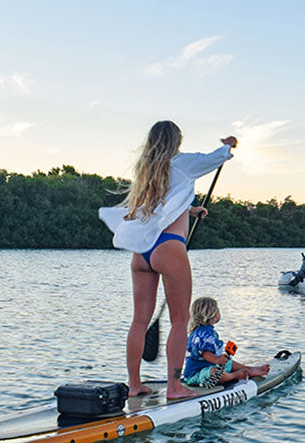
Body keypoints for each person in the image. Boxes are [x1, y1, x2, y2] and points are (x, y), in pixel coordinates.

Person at [98, 120, 236, 399]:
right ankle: (174, 387)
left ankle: (134, 385)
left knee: (139, 321)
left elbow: (161, 204)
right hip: (169, 248)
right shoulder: (181, 162)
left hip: (142, 252)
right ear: (176, 141)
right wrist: (229, 144)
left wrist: (191, 209)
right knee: (179, 319)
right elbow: (216, 158)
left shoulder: (145, 170)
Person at [182, 297, 269, 387]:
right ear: (213, 314)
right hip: (197, 374)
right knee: (215, 372)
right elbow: (205, 352)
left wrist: (220, 359)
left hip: (209, 365)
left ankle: (250, 369)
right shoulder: (203, 334)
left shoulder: (204, 331)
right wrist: (217, 359)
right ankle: (235, 375)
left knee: (229, 362)